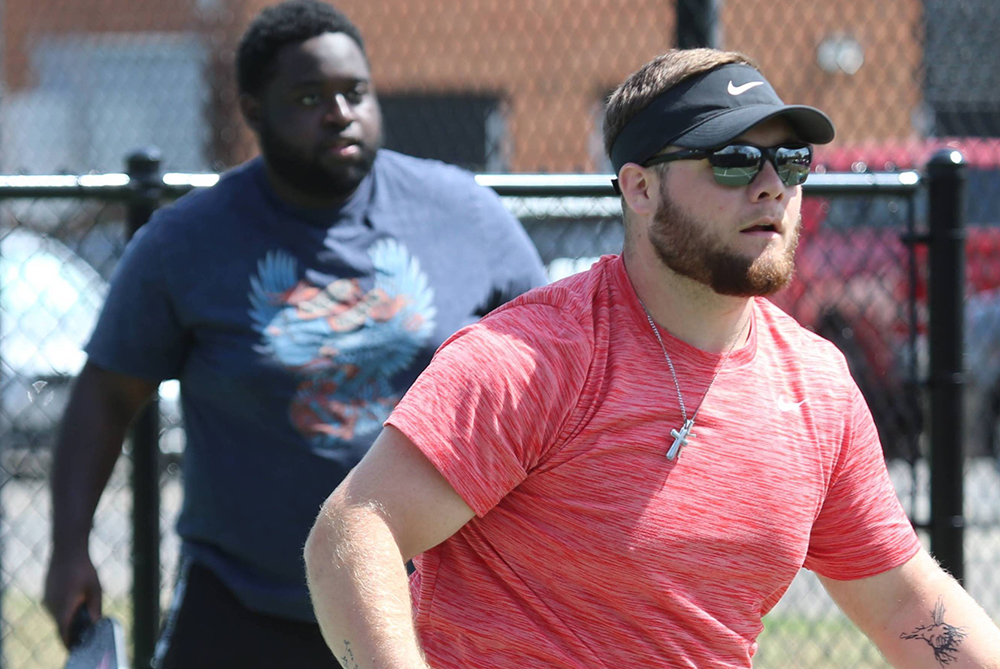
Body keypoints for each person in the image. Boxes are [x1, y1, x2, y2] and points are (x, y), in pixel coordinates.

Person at [304, 48, 1000, 668]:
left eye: (790, 160)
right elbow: (353, 532)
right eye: (733, 160)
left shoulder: (817, 386)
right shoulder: (535, 356)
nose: (771, 185)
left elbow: (904, 604)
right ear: (640, 188)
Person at [43, 1, 548, 666]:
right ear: (253, 111)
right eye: (310, 97)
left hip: (428, 602)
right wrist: (69, 547)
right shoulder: (187, 240)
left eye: (355, 92)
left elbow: (550, 372)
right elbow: (107, 395)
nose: (339, 113)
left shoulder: (465, 213)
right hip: (244, 601)